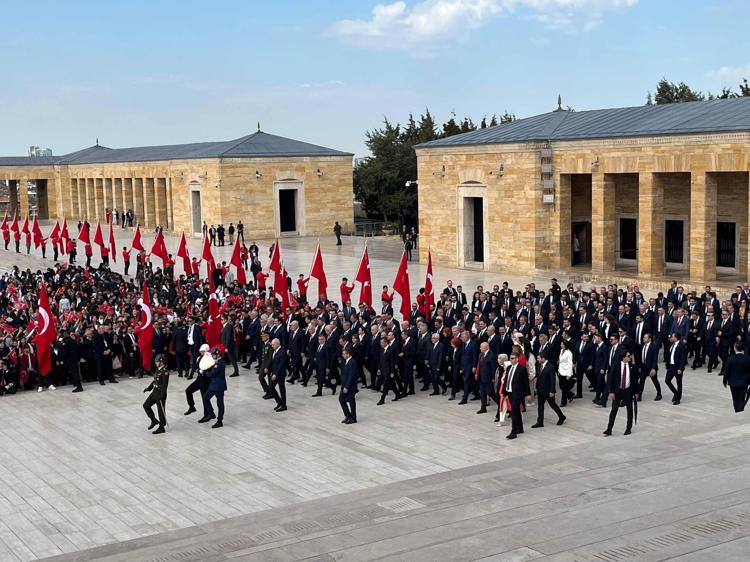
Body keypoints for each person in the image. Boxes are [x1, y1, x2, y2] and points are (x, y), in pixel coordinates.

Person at [603, 350, 638, 436]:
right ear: (623, 357)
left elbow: (635, 380)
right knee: (614, 410)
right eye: (628, 356)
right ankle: (609, 429)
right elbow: (611, 379)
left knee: (629, 410)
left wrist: (636, 392)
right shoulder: (616, 365)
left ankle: (628, 428)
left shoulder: (632, 366)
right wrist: (611, 391)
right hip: (618, 390)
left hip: (628, 391)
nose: (630, 357)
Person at [532, 351, 566, 428]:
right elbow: (539, 378)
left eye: (538, 358)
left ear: (543, 358)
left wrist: (552, 391)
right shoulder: (540, 365)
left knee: (553, 405)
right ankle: (540, 422)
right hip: (540, 390)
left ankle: (561, 416)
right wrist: (536, 387)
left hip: (548, 391)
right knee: (540, 406)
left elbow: (552, 380)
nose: (537, 360)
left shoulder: (550, 367)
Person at [503, 351, 530, 439]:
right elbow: (506, 380)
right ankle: (520, 428)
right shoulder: (509, 368)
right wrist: (504, 392)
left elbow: (526, 382)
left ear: (517, 359)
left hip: (517, 393)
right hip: (510, 392)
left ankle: (513, 432)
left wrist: (528, 394)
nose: (511, 360)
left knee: (514, 412)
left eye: (513, 358)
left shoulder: (522, 369)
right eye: (510, 358)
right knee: (516, 411)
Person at [142, 353, 169, 434]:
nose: (156, 363)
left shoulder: (165, 372)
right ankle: (154, 420)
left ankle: (161, 427)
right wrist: (148, 388)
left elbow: (165, 385)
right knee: (146, 405)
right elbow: (155, 380)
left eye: (157, 362)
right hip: (155, 392)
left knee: (161, 411)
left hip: (160, 393)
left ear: (162, 362)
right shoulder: (158, 370)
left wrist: (162, 395)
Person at [201, 346, 226, 428]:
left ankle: (219, 421)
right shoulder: (216, 362)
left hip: (219, 386)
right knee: (205, 398)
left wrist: (205, 372)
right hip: (213, 385)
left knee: (220, 403)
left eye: (213, 355)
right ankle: (211, 413)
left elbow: (212, 374)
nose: (212, 356)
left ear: (217, 355)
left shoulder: (220, 363)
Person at [722, 342, 750, 412]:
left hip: (733, 383)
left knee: (735, 399)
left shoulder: (730, 359)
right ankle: (740, 410)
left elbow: (726, 371)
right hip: (744, 383)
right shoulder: (748, 359)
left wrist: (724, 381)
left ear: (735, 348)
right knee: (742, 399)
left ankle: (737, 410)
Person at [185, 343, 211, 416]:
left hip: (205, 380)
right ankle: (192, 406)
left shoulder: (209, 358)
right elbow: (195, 366)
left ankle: (207, 414)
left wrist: (202, 370)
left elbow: (209, 368)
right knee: (188, 391)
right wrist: (198, 369)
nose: (201, 352)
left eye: (202, 351)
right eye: (201, 351)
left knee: (204, 397)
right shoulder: (199, 358)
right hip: (199, 379)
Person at [665, 331, 687, 405]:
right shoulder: (672, 344)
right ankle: (676, 393)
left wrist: (680, 368)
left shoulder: (681, 345)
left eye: (672, 336)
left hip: (677, 367)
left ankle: (678, 399)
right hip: (671, 366)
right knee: (667, 380)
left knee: (679, 383)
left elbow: (683, 358)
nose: (671, 337)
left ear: (676, 338)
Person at [339, 346, 358, 424]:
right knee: (341, 399)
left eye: (344, 354)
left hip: (350, 386)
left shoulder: (352, 362)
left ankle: (353, 418)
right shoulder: (346, 361)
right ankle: (348, 415)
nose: (343, 355)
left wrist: (347, 386)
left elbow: (351, 376)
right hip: (344, 385)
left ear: (348, 354)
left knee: (351, 402)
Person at [269, 337, 288, 411]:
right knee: (271, 387)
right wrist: (272, 371)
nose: (272, 346)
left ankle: (284, 405)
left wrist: (275, 374)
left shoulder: (282, 352)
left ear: (277, 344)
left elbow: (281, 364)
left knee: (282, 389)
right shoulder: (275, 351)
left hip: (280, 374)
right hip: (275, 373)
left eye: (273, 345)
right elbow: (273, 362)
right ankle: (279, 402)